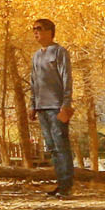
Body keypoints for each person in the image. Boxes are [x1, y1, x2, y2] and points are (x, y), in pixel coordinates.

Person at [28, 16, 75, 198]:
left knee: (61, 145)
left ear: (50, 32)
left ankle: (66, 186)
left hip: (57, 107)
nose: (36, 32)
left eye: (39, 28)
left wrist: (66, 103)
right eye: (33, 29)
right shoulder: (36, 56)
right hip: (41, 107)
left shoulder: (59, 52)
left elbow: (66, 78)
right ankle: (60, 184)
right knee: (52, 148)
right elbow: (33, 82)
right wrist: (32, 105)